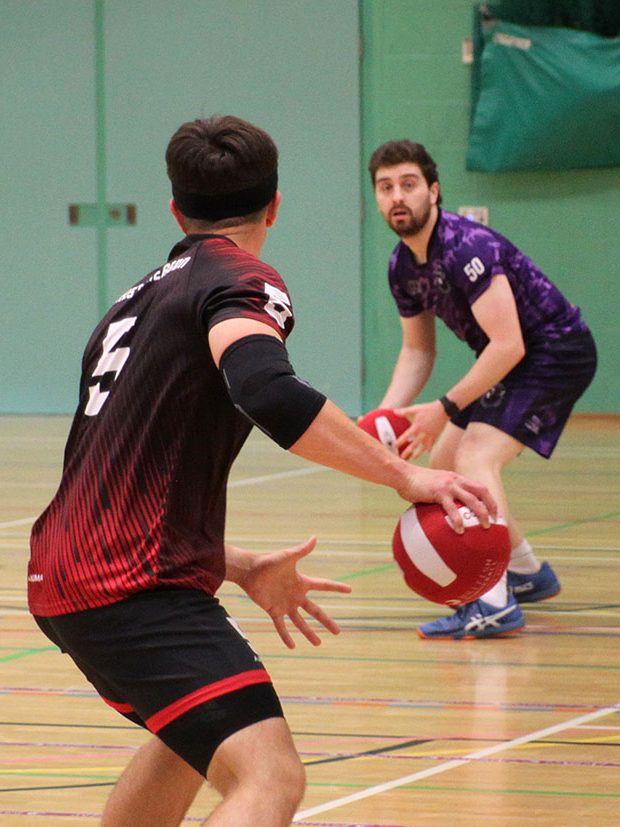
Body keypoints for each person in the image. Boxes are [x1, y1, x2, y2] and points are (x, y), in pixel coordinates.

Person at [27, 117, 495, 827]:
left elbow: (114, 477)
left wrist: (234, 562)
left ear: (176, 211)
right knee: (271, 778)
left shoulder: (135, 301)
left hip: (64, 568)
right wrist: (407, 478)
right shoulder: (239, 279)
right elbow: (267, 388)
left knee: (188, 742)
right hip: (129, 585)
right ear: (274, 205)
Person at [367, 139, 597, 641]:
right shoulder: (401, 267)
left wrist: (445, 408)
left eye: (408, 185)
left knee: (474, 456)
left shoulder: (466, 247)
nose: (397, 197)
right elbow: (417, 353)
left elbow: (509, 344)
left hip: (555, 353)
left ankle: (492, 603)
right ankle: (527, 573)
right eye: (385, 188)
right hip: (512, 360)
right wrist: (384, 416)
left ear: (434, 190)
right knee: (445, 462)